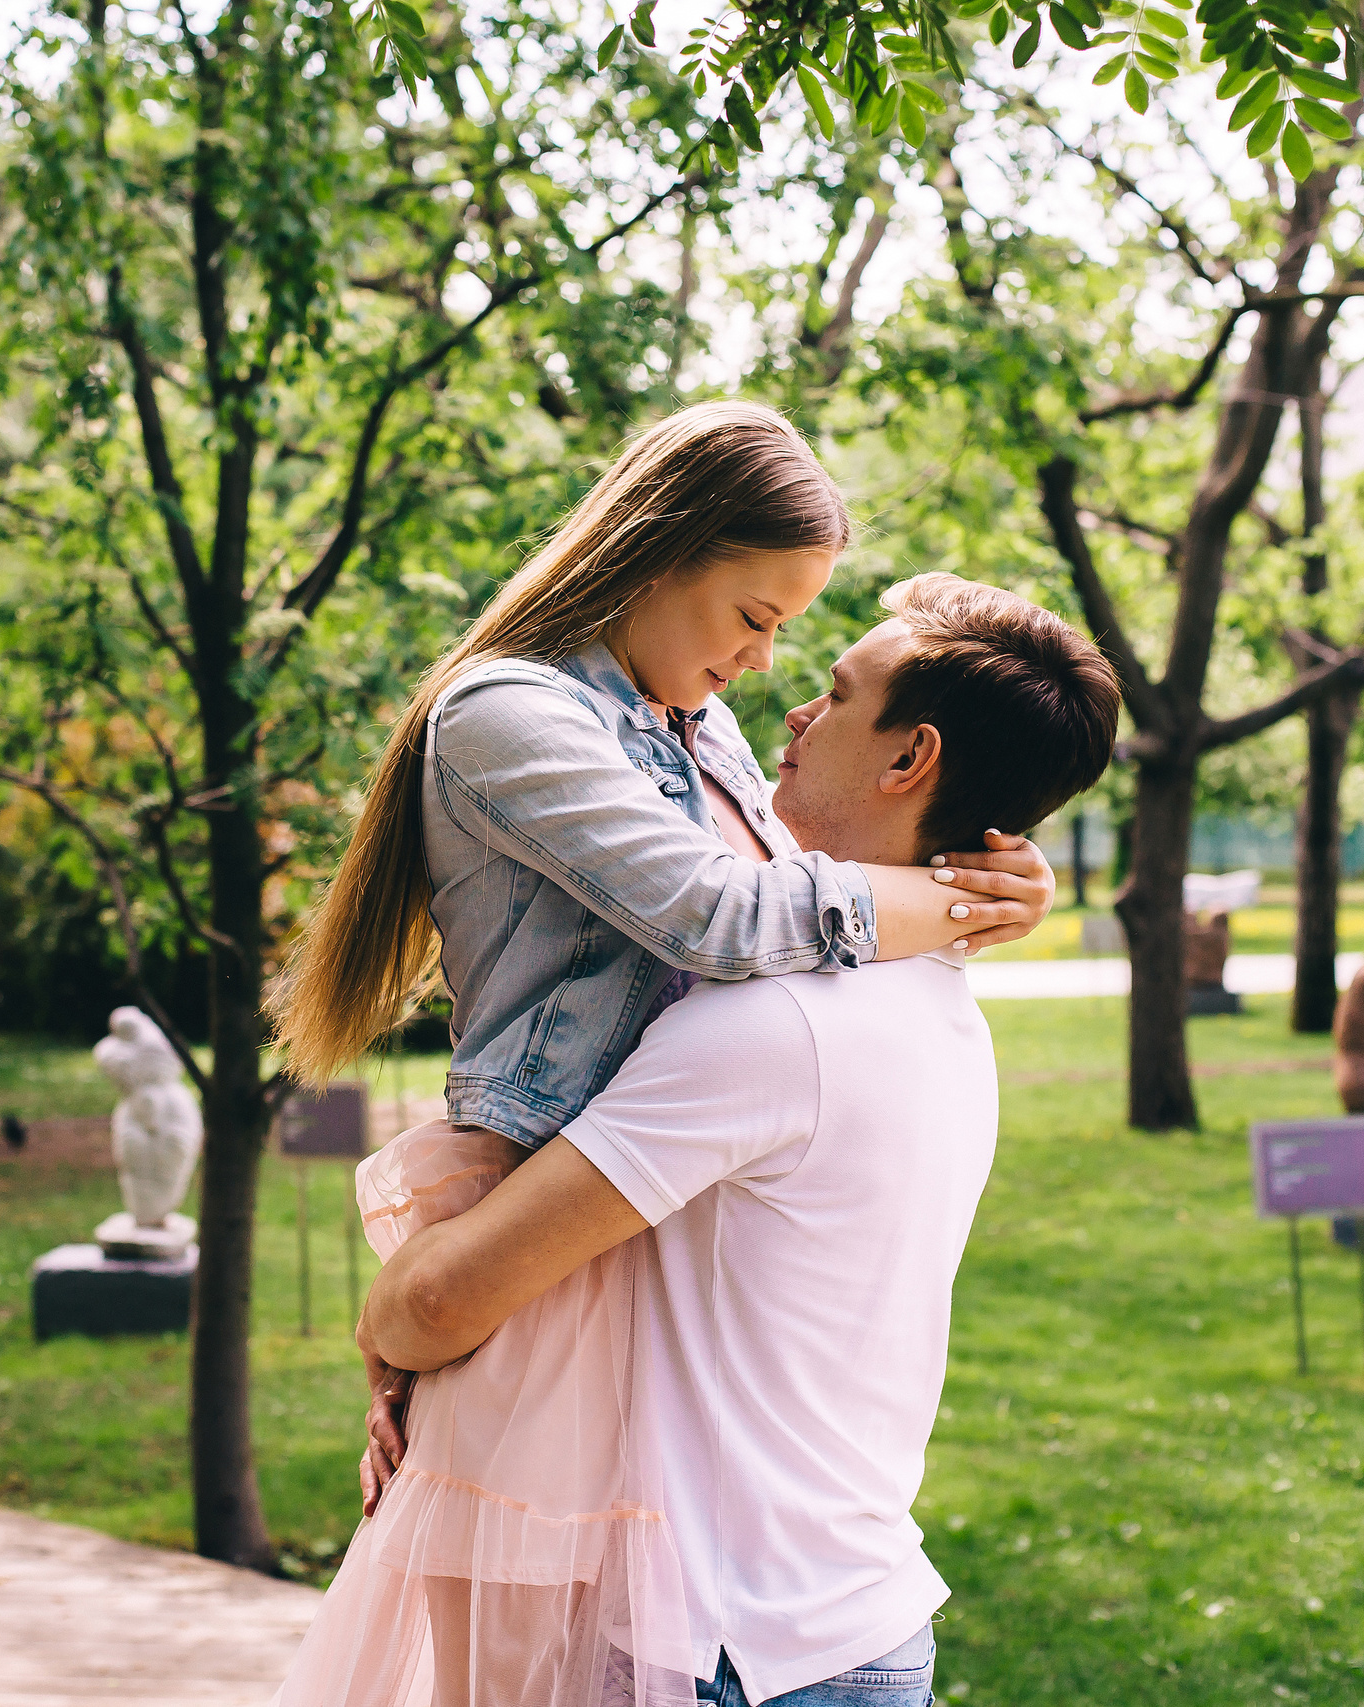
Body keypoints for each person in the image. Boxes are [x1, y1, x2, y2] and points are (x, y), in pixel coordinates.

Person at [269, 406, 1059, 1705]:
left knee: (593, 1622)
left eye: (788, 633)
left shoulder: (695, 722)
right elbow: (723, 914)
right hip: (541, 1177)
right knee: (509, 1642)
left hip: (618, 1198)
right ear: (656, 553)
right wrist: (961, 900)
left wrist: (986, 881)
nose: (762, 662)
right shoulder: (505, 709)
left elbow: (802, 886)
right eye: (754, 616)